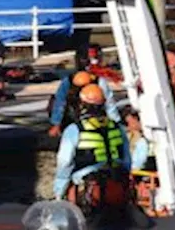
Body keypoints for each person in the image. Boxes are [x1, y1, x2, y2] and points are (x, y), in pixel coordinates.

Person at [53, 84, 132, 214]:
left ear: (82, 105)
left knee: (69, 181)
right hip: (117, 176)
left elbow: (65, 162)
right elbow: (127, 157)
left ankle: (72, 213)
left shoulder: (75, 129)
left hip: (88, 180)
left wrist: (59, 190)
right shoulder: (117, 127)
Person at [49, 69, 119, 136]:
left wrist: (115, 122)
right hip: (74, 120)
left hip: (97, 122)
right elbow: (59, 103)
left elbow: (110, 105)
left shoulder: (100, 82)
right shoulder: (67, 82)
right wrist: (56, 124)